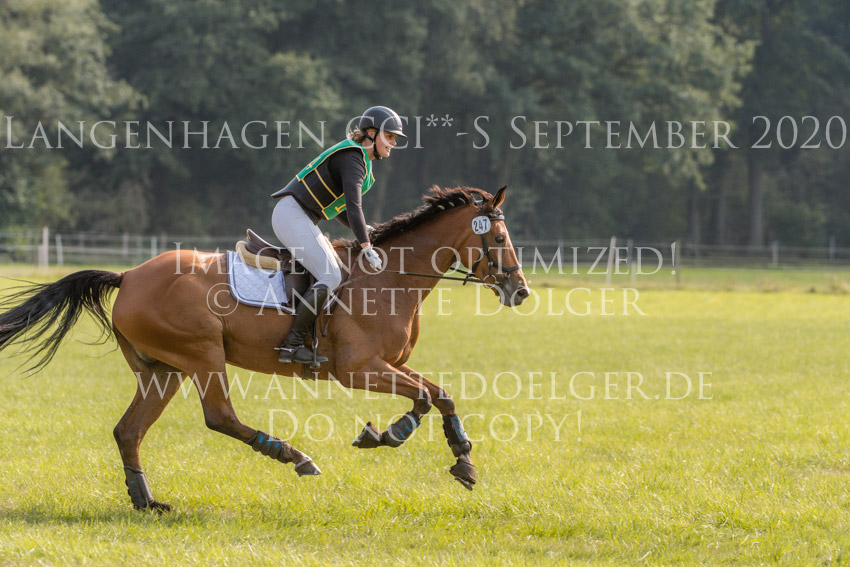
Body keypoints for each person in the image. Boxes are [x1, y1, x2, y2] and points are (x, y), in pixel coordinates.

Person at [270, 106, 406, 364]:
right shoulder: (353, 158)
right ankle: (292, 345)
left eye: (395, 138)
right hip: (292, 214)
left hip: (299, 215)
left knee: (333, 271)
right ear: (370, 133)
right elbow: (354, 207)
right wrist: (366, 246)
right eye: (389, 136)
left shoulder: (359, 160)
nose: (393, 143)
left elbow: (340, 210)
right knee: (331, 275)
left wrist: (363, 230)